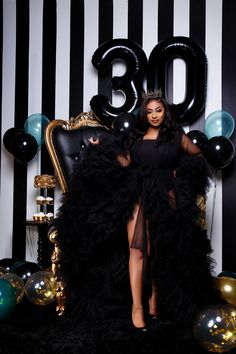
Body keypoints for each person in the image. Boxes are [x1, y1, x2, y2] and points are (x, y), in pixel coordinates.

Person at [52, 91, 223, 333]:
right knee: (138, 250)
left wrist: (178, 175)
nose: (154, 115)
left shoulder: (177, 136)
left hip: (166, 196)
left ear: (165, 112)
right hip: (138, 195)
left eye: (159, 110)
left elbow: (197, 157)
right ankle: (137, 307)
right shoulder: (136, 136)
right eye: (149, 111)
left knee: (160, 250)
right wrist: (103, 148)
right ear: (144, 114)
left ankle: (154, 299)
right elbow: (125, 162)